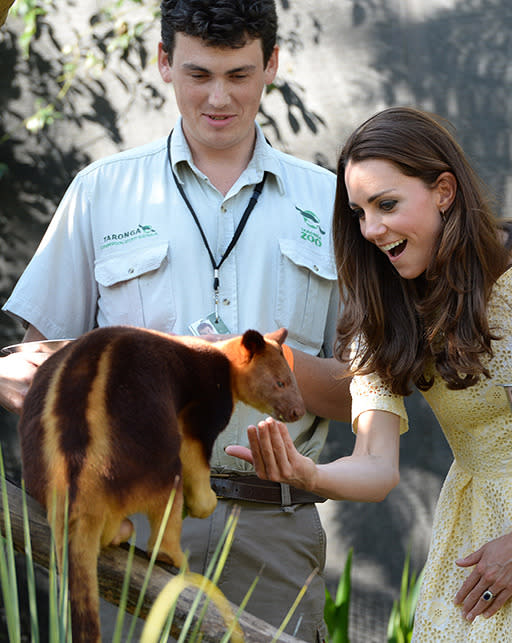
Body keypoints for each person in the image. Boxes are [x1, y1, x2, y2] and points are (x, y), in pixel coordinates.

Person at [226, 106, 512, 641]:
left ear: (443, 190)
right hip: (477, 547)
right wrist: (312, 476)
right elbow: (375, 464)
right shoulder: (387, 311)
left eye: (386, 205)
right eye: (359, 213)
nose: (371, 229)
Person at [2, 0, 351, 639]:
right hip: (128, 523)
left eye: (240, 75)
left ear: (272, 64)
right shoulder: (99, 191)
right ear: (164, 62)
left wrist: (252, 367)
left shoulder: (331, 205)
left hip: (271, 528)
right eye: (198, 74)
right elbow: (38, 366)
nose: (218, 98)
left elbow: (371, 392)